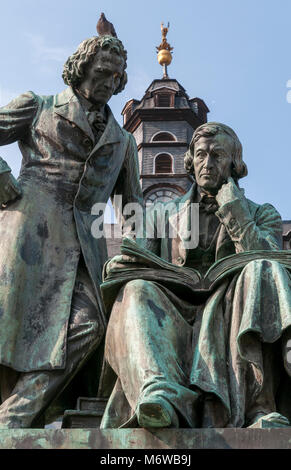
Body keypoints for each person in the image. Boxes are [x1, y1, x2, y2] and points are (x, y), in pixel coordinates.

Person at [100, 122, 291, 429]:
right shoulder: (160, 213)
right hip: (171, 307)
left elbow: (272, 264)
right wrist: (120, 265)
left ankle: (258, 407)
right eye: (200, 154)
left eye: (217, 155)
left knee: (260, 270)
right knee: (135, 288)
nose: (207, 163)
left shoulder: (261, 214)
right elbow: (136, 255)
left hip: (231, 305)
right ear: (189, 160)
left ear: (234, 163)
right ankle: (160, 395)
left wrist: (235, 212)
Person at [0, 29, 143, 428]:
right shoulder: (38, 106)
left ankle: (13, 415)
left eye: (117, 77)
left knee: (90, 324)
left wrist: (139, 254)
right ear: (82, 68)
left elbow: (133, 212)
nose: (109, 83)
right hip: (29, 231)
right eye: (102, 72)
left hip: (88, 248)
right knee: (9, 331)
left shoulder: (123, 141)